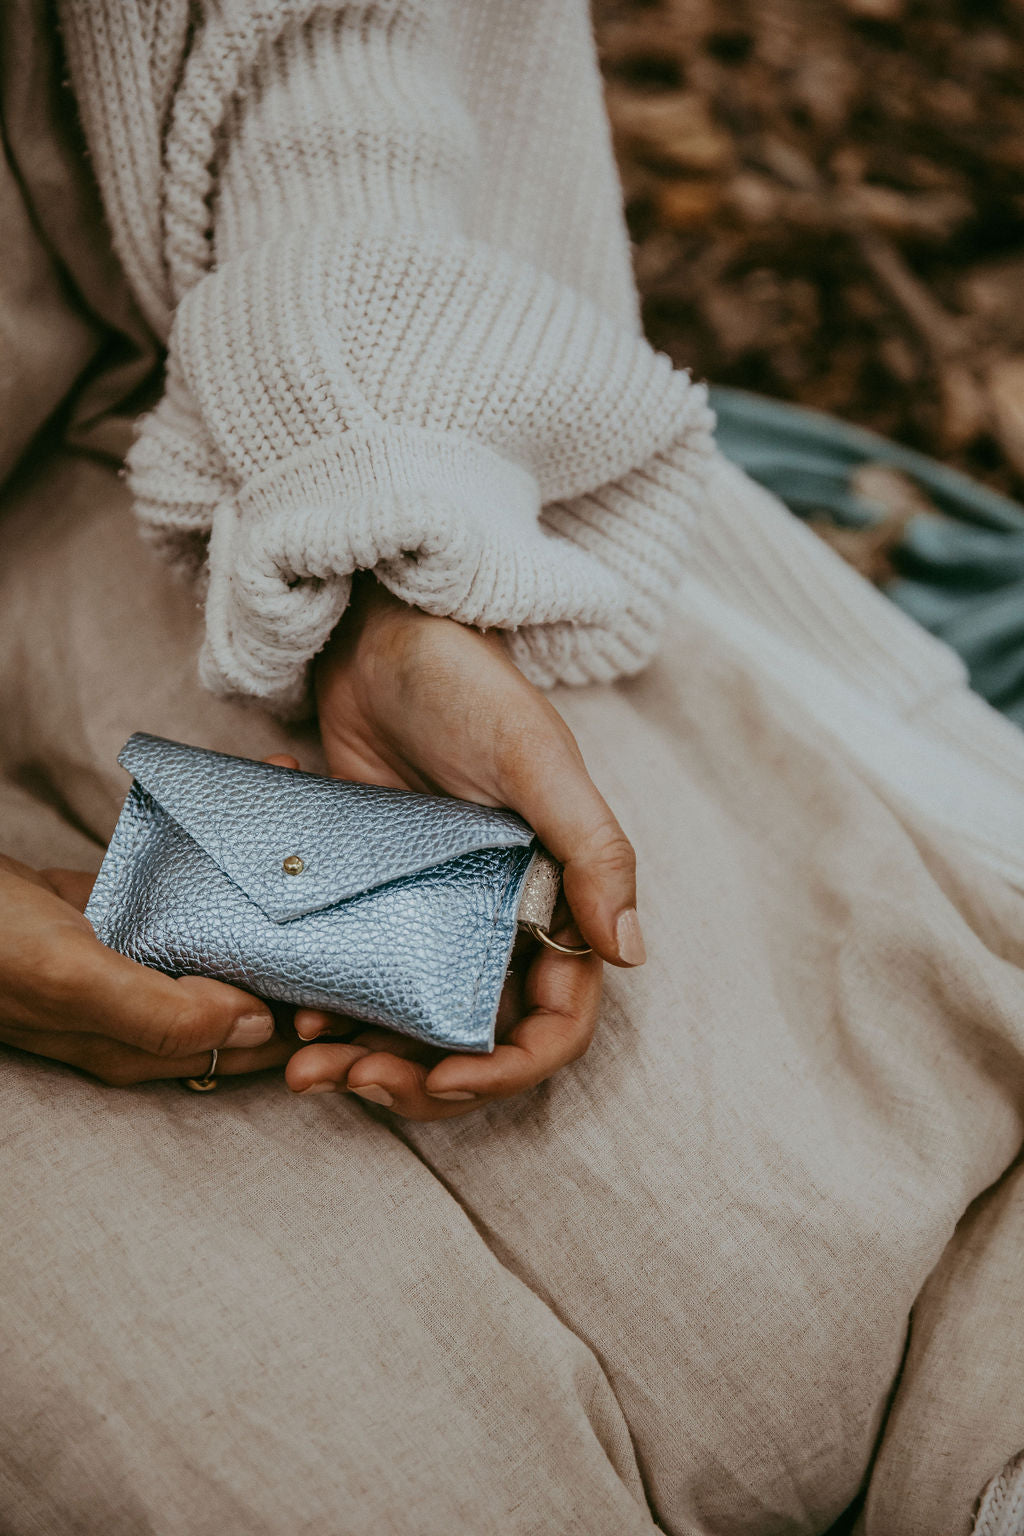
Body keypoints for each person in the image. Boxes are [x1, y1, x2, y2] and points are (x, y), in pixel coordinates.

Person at [2, 2, 1024, 1532]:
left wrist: (383, 551)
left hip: (173, 418)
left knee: (874, 1154)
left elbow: (312, 44)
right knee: (311, 1449)